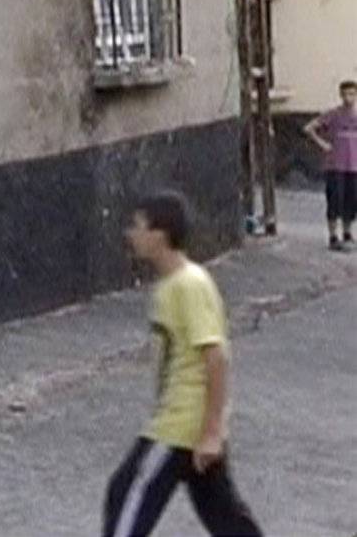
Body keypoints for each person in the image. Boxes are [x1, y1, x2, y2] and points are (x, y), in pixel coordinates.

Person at [102, 192, 261, 537]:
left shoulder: (190, 285)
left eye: (138, 226)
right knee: (226, 518)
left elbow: (215, 355)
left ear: (160, 235)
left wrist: (212, 431)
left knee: (126, 497)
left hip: (179, 428)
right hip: (189, 425)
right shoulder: (171, 286)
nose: (131, 234)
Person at [303, 80, 357, 251]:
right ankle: (333, 236)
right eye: (346, 94)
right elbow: (309, 128)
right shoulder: (333, 114)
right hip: (335, 165)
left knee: (351, 200)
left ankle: (347, 233)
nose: (349, 98)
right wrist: (323, 144)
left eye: (352, 94)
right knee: (335, 199)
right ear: (341, 95)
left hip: (353, 166)